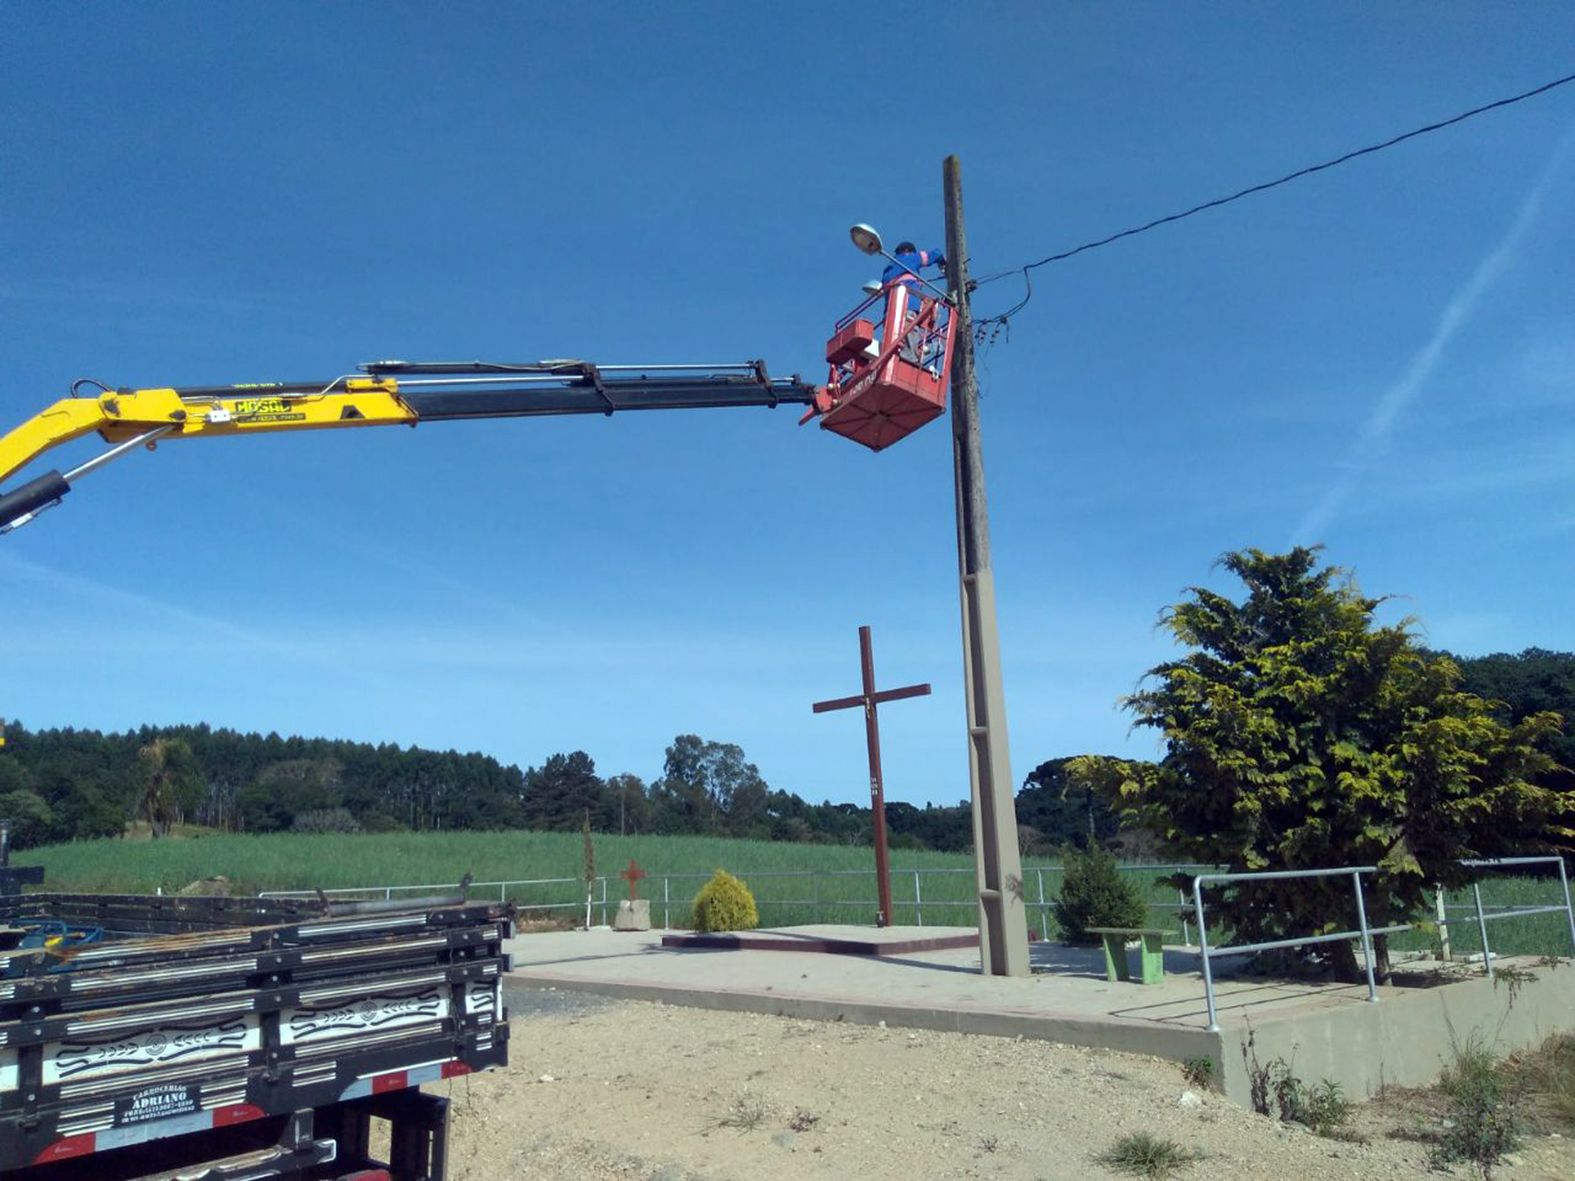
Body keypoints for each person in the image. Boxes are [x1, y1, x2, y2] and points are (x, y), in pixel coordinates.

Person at [883, 242, 947, 367]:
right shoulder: (909, 258)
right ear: (907, 251)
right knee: (910, 336)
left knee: (896, 341)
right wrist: (943, 262)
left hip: (889, 316)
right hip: (906, 309)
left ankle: (911, 355)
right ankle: (910, 364)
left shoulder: (888, 270)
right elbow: (934, 254)